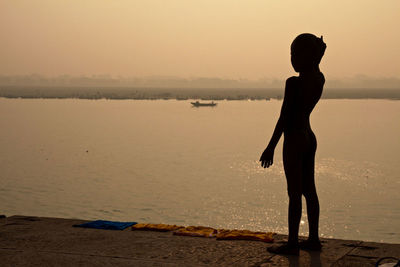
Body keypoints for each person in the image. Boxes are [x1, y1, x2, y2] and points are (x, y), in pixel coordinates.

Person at [260, 33, 327, 255]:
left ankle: (292, 243)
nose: (292, 58)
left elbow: (284, 117)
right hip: (310, 136)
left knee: (294, 192)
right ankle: (314, 239)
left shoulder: (294, 82)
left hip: (294, 138)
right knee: (310, 190)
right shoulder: (319, 78)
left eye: (295, 53)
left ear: (306, 56)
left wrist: (270, 146)